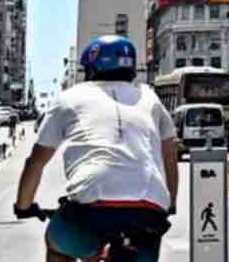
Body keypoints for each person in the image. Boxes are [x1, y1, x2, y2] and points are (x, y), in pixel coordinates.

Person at [14, 36, 179, 262]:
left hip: (90, 209)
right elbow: (170, 154)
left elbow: (36, 162)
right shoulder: (150, 97)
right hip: (149, 209)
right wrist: (170, 203)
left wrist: (24, 206)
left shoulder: (69, 98)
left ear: (91, 68)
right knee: (145, 246)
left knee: (57, 246)